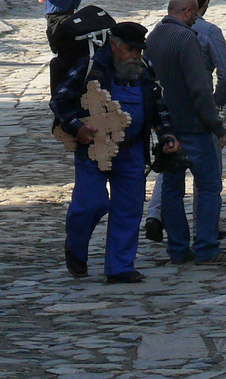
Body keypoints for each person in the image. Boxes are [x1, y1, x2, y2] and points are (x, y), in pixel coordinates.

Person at [52, 21, 179, 284]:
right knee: (91, 203)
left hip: (132, 152)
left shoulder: (145, 71)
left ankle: (120, 267)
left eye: (138, 51)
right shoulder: (90, 68)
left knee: (129, 208)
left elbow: (158, 106)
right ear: (113, 45)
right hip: (94, 149)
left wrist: (166, 134)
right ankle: (75, 247)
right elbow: (60, 100)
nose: (134, 56)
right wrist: (77, 128)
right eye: (129, 50)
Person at [146, 0, 226, 266]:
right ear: (187, 11)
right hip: (194, 127)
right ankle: (207, 247)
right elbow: (200, 88)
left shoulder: (154, 37)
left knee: (173, 189)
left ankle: (177, 248)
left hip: (167, 128)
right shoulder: (187, 39)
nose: (196, 19)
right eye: (195, 14)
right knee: (209, 186)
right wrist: (217, 126)